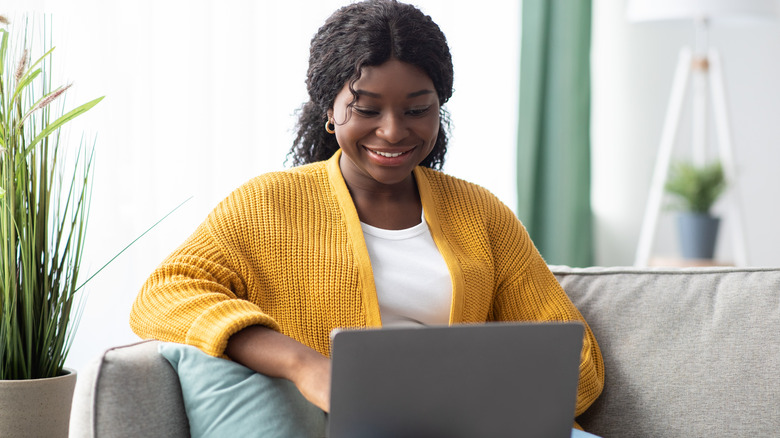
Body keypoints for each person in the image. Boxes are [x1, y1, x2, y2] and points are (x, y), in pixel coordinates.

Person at [130, 0, 604, 435]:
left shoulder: (480, 213)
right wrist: (304, 365)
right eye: (367, 109)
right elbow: (164, 293)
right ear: (330, 112)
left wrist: (484, 398)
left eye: (418, 109)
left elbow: (578, 363)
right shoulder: (268, 203)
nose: (394, 131)